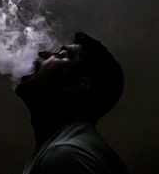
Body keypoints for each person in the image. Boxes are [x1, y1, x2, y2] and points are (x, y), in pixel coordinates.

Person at [15, 31, 128, 174]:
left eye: (61, 55)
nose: (42, 53)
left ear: (77, 84)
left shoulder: (65, 157)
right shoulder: (70, 151)